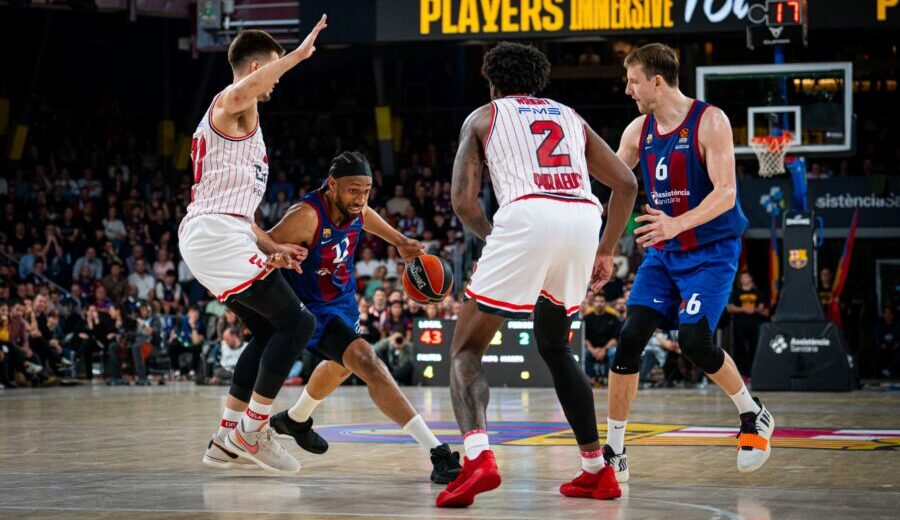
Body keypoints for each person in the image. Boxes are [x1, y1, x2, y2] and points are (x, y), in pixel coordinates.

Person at [439, 42, 637, 508]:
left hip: (527, 216)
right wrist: (606, 248)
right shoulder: (571, 117)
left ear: (492, 82)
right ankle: (597, 469)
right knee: (555, 346)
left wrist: (498, 239)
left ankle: (478, 459)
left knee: (466, 349)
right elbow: (627, 183)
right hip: (582, 218)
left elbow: (463, 203)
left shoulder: (482, 117)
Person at [605, 43, 775, 482]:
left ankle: (752, 413)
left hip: (710, 251)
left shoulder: (710, 121)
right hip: (664, 252)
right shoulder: (637, 130)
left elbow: (726, 193)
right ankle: (615, 450)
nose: (628, 90)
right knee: (630, 337)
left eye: (633, 81)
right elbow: (614, 181)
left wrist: (675, 224)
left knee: (695, 340)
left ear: (657, 82)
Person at [178, 18, 328, 475]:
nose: (276, 82)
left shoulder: (249, 122)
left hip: (222, 233)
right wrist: (298, 56)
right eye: (274, 70)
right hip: (213, 234)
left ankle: (226, 438)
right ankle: (252, 430)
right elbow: (239, 91)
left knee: (268, 331)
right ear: (259, 68)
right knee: (298, 324)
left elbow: (239, 214)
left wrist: (271, 246)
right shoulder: (229, 104)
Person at [261, 152, 461, 484]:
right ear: (332, 184)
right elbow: (262, 242)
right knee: (368, 361)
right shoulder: (307, 216)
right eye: (354, 190)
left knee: (341, 366)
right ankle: (438, 453)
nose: (360, 198)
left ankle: (295, 420)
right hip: (312, 308)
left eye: (366, 191)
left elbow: (365, 215)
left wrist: (400, 242)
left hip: (343, 300)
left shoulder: (356, 207)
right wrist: (276, 256)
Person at [727, 271, 767, 377]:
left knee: (754, 347)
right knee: (741, 348)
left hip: (754, 325)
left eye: (747, 277)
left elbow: (763, 308)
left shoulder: (757, 293)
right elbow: (729, 308)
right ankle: (743, 372)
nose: (745, 279)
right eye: (743, 277)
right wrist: (743, 309)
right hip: (740, 325)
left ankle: (754, 372)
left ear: (750, 279)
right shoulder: (736, 293)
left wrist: (756, 310)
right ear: (741, 280)